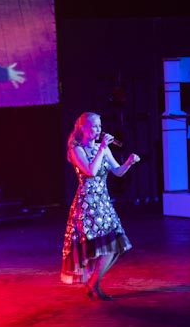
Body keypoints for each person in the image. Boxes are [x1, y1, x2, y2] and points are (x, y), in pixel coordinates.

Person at [60, 112, 140, 300]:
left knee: (116, 246)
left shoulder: (101, 148)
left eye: (99, 126)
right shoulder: (76, 150)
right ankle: (94, 284)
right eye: (94, 126)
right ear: (83, 128)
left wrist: (129, 162)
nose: (98, 130)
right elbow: (91, 171)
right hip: (87, 205)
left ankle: (93, 283)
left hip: (103, 203)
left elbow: (118, 171)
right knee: (106, 246)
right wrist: (102, 148)